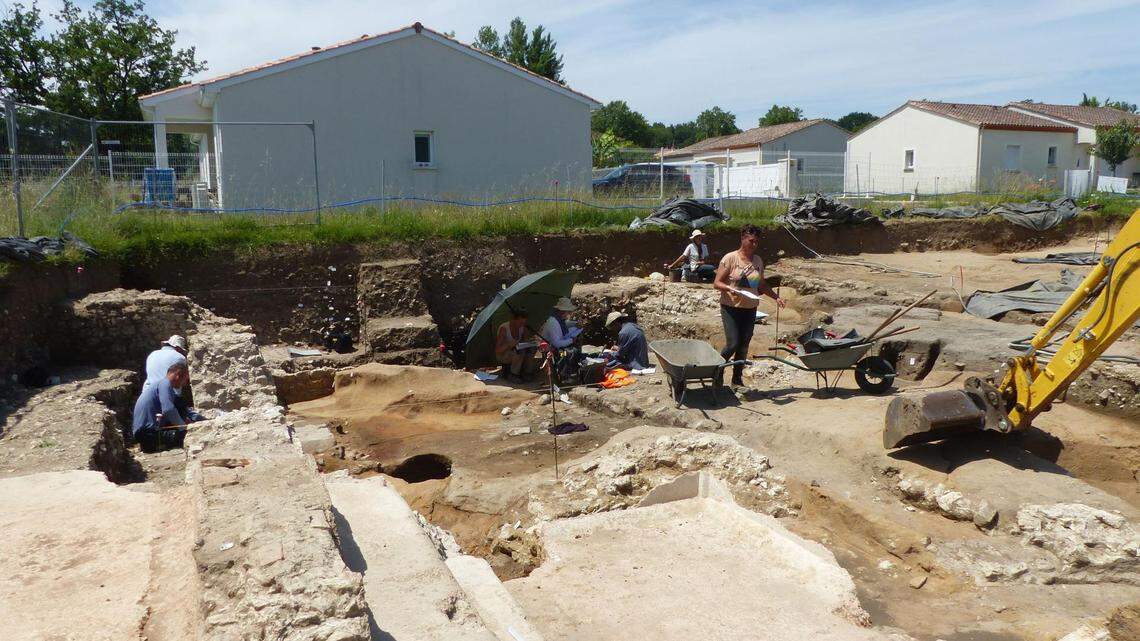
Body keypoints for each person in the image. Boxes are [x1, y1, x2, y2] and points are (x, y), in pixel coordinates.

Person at [713, 224, 785, 388]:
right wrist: (730, 288)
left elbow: (762, 285)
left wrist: (776, 297)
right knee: (733, 343)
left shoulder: (757, 261)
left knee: (744, 344)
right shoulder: (730, 258)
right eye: (751, 241)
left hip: (750, 308)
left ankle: (737, 379)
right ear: (743, 239)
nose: (754, 244)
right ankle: (716, 371)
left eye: (757, 242)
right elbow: (717, 283)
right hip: (731, 307)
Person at [131, 361, 204, 452]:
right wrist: (184, 427)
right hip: (147, 434)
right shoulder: (165, 384)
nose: (185, 384)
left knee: (178, 401)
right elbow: (168, 410)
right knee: (191, 436)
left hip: (145, 432)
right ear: (178, 376)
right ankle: (154, 445)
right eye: (185, 379)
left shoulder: (161, 386)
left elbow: (181, 409)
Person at [540, 297, 584, 382]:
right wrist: (571, 340)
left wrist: (575, 324)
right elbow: (557, 343)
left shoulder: (558, 319)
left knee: (576, 336)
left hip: (558, 342)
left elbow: (564, 325)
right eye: (569, 312)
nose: (570, 313)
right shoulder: (553, 322)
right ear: (563, 311)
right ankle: (566, 375)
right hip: (553, 348)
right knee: (571, 352)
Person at [495, 309, 538, 381]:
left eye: (523, 323)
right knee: (519, 352)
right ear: (514, 320)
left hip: (517, 351)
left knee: (531, 349)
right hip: (504, 354)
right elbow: (497, 350)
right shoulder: (504, 329)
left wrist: (530, 341)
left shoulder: (523, 328)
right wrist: (509, 344)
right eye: (520, 322)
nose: (522, 325)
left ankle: (527, 372)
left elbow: (526, 342)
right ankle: (513, 374)